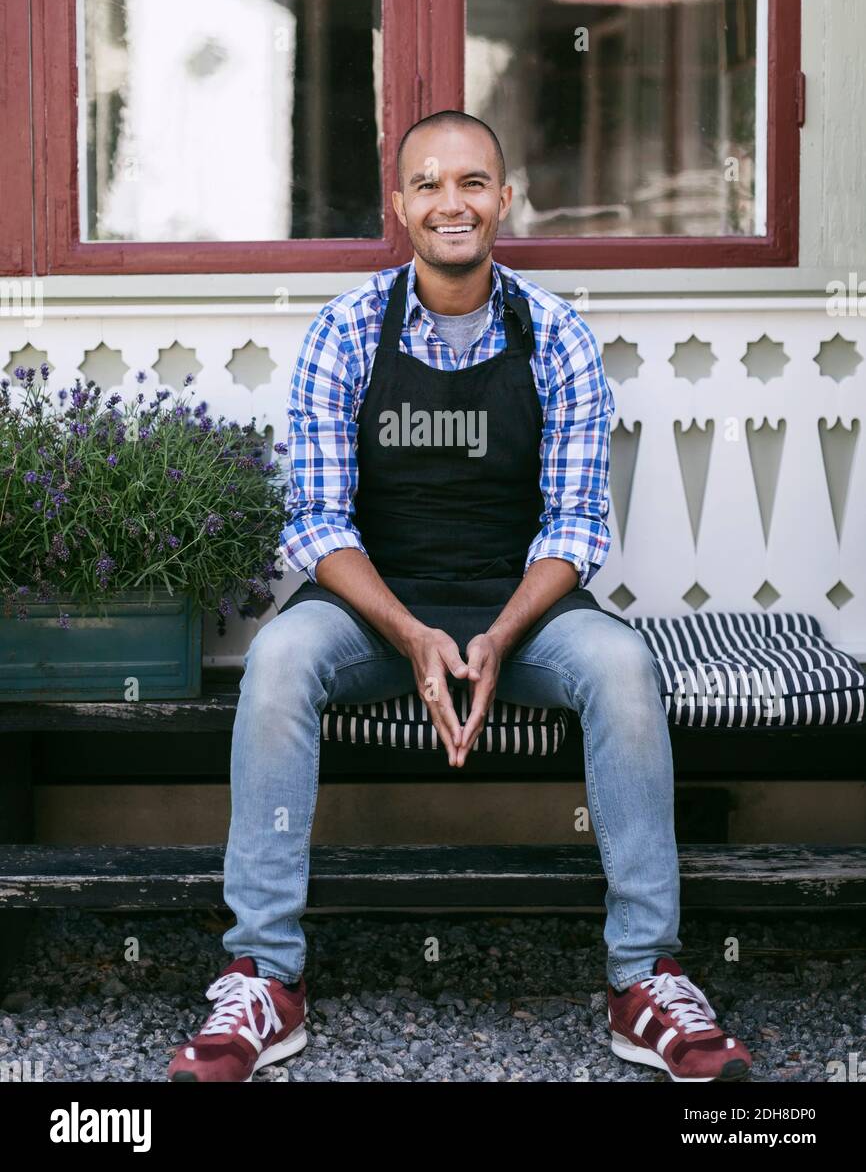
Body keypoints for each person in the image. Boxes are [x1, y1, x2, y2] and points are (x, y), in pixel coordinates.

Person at [169, 111, 752, 1084]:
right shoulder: (346, 330)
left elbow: (572, 528)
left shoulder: (553, 332)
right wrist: (407, 633)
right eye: (429, 184)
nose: (452, 202)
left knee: (619, 667)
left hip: (518, 614)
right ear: (398, 206)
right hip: (369, 613)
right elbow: (315, 521)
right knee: (275, 660)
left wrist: (492, 637)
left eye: (472, 182)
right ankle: (264, 978)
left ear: (502, 199)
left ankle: (643, 977)